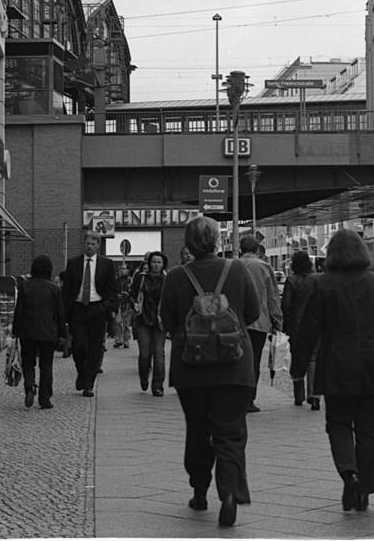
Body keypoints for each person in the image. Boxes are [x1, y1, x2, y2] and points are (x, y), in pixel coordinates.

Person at [290, 229, 374, 512]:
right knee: (368, 430)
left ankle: (349, 474)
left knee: (338, 424)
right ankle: (363, 490)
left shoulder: (323, 284)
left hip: (337, 366)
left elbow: (309, 329)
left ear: (332, 254)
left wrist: (298, 367)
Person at [160, 216, 261, 527]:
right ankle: (229, 492)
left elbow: (167, 321)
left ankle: (200, 490)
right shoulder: (237, 269)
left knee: (199, 430)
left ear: (188, 243)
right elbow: (253, 312)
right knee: (231, 433)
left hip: (192, 369)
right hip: (235, 365)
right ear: (217, 241)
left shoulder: (176, 276)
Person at [62, 230, 119, 398]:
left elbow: (112, 290)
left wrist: (107, 307)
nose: (90, 246)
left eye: (93, 244)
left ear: (98, 246)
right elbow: (67, 290)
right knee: (79, 345)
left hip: (97, 308)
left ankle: (89, 385)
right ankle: (81, 371)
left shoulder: (106, 264)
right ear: (84, 244)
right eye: (87, 243)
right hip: (78, 308)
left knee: (95, 348)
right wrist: (65, 312)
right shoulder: (73, 263)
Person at [12, 254, 66, 409]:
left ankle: (29, 386)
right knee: (46, 365)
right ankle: (45, 398)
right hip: (48, 331)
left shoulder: (25, 286)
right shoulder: (54, 288)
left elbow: (19, 310)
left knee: (28, 362)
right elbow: (60, 313)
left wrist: (16, 331)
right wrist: (62, 333)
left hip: (28, 331)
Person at [236, 234, 283, 413]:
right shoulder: (265, 267)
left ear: (240, 249)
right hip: (259, 321)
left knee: (237, 359)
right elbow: (272, 296)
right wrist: (277, 320)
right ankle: (249, 399)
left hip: (237, 321)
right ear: (257, 250)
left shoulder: (233, 265)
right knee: (254, 360)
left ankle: (236, 397)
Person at [281, 250, 319, 409]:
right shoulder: (317, 279)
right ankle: (314, 395)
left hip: (296, 325)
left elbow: (286, 305)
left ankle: (299, 396)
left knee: (297, 358)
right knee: (312, 359)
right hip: (315, 323)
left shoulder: (291, 280)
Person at [131, 250, 168, 396]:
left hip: (160, 320)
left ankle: (158, 385)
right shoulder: (140, 278)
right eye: (154, 262)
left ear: (163, 264)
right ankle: (144, 377)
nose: (156, 265)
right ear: (149, 263)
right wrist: (134, 303)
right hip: (143, 319)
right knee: (145, 354)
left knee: (159, 354)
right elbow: (132, 295)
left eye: (159, 262)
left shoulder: (167, 279)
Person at [113, 264, 133, 348]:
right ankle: (118, 340)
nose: (122, 270)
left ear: (128, 270)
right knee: (118, 322)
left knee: (126, 323)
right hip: (119, 303)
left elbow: (132, 291)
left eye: (124, 269)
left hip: (127, 303)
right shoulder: (118, 280)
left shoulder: (130, 280)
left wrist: (126, 295)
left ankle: (126, 341)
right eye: (121, 268)